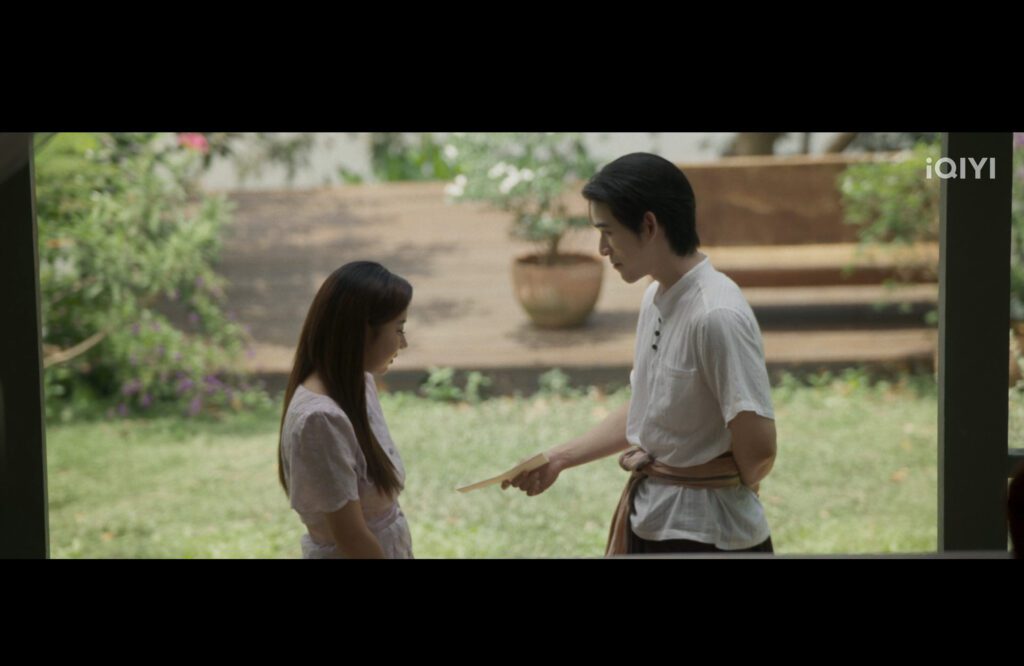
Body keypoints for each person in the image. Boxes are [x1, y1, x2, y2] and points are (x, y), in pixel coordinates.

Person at [503, 153, 778, 556]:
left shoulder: (716, 315)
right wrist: (558, 458)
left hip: (710, 537)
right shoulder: (656, 296)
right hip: (653, 521)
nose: (602, 248)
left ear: (648, 226)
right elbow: (650, 408)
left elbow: (760, 451)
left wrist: (712, 480)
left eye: (608, 232)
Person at [277, 261, 413, 559]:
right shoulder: (320, 420)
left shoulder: (358, 382)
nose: (403, 343)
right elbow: (353, 539)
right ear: (363, 331)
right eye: (398, 329)